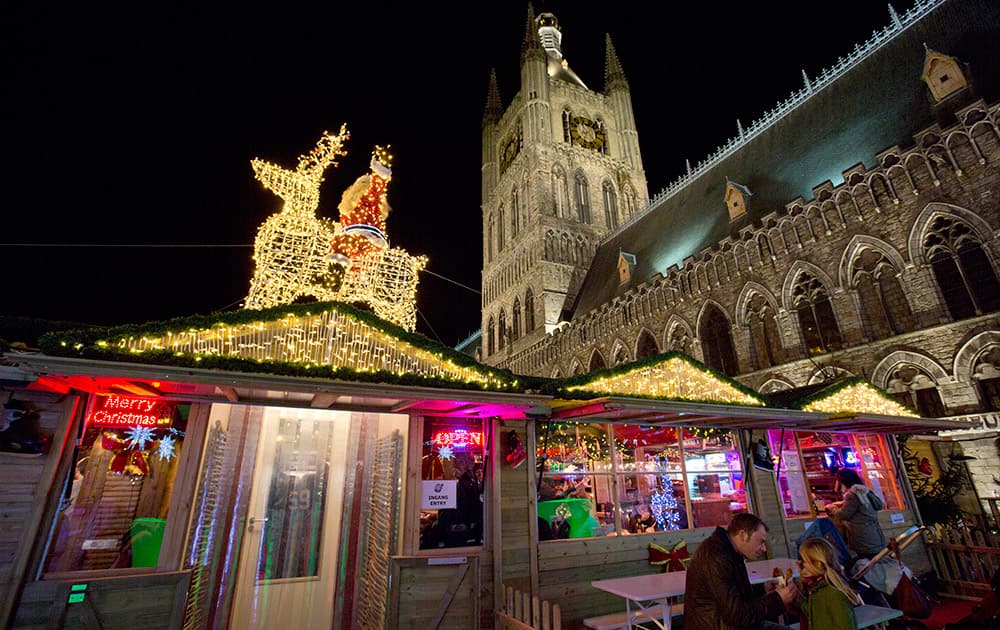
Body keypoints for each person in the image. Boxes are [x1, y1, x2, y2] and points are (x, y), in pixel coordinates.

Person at [685, 512, 797, 629]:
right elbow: (736, 616)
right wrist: (777, 599)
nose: (764, 549)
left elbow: (731, 594)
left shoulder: (729, 551)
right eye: (761, 542)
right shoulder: (716, 557)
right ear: (743, 535)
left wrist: (762, 589)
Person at [791, 537, 863, 630]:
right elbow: (814, 612)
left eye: (804, 561)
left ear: (818, 564)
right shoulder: (815, 587)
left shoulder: (833, 594)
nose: (799, 563)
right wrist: (797, 598)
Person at [825, 469, 887, 567]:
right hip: (875, 532)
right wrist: (843, 503)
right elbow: (875, 505)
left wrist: (832, 508)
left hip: (862, 535)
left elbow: (843, 515)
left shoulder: (852, 494)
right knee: (878, 562)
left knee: (869, 565)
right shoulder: (864, 490)